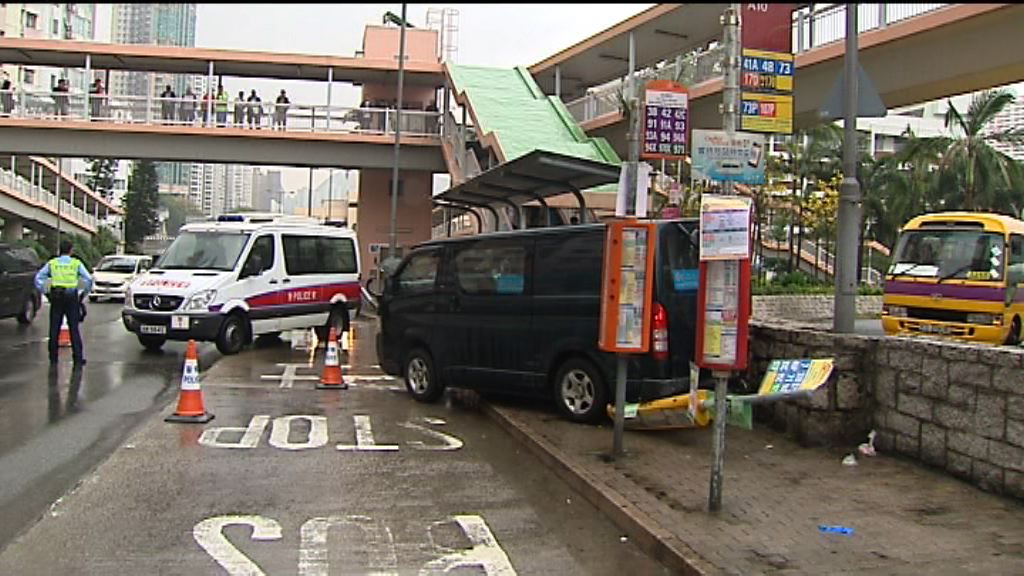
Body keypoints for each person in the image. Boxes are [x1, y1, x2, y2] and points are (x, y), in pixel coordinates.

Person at [35, 239, 93, 366]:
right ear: (71, 250)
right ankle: (78, 357)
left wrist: (46, 292)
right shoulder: (76, 263)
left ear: (59, 250)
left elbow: (38, 278)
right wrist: (83, 293)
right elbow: (88, 279)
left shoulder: (53, 263)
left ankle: (53, 357)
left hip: (56, 296)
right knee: (74, 328)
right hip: (71, 297)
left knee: (54, 327)